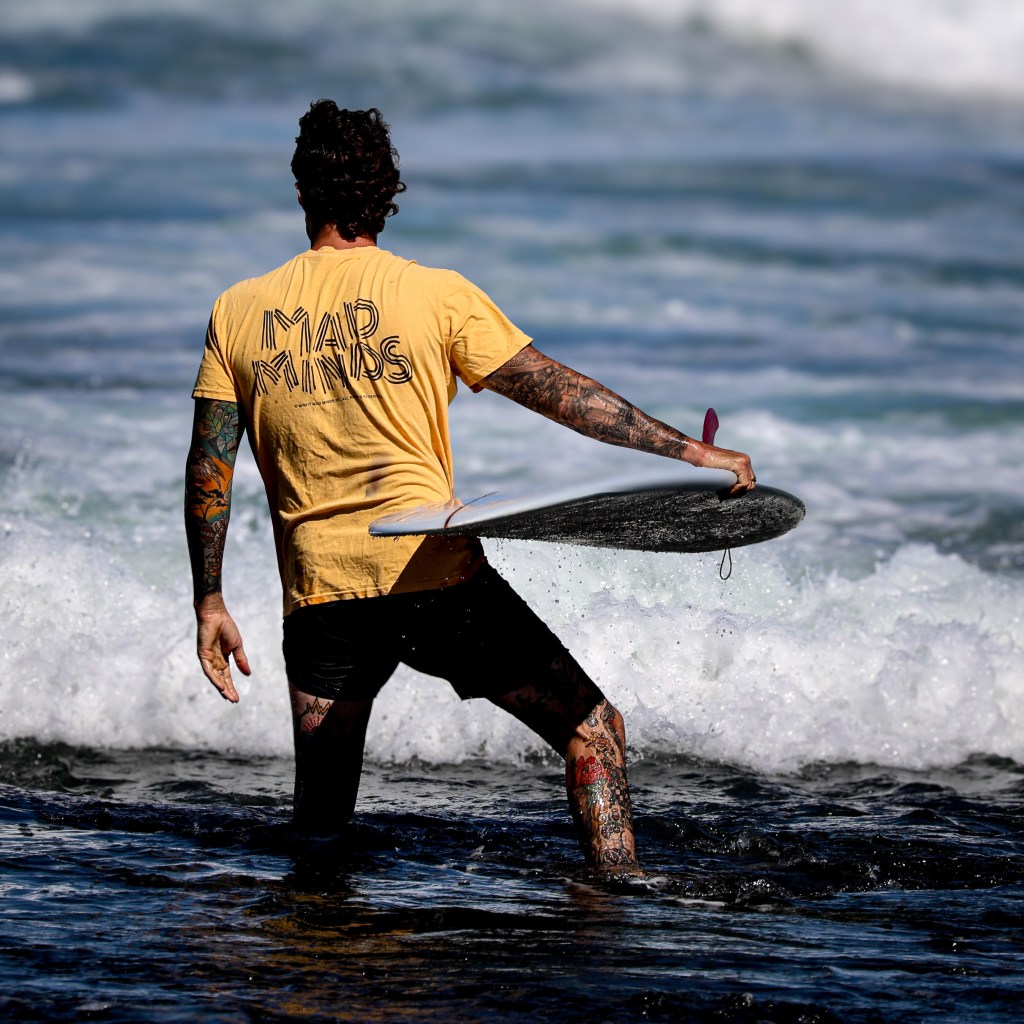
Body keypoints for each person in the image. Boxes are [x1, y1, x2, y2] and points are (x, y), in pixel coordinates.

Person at [184, 101, 755, 874]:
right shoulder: (435, 294)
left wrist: (210, 600)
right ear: (387, 194)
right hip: (431, 579)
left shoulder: (238, 310)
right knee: (593, 730)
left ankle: (312, 940)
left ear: (301, 192)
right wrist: (688, 450)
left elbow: (210, 468)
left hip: (320, 597)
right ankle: (614, 910)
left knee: (321, 819)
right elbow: (561, 395)